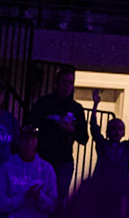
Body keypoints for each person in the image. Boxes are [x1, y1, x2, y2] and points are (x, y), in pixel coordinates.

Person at [25, 69, 87, 198]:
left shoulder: (77, 108)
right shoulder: (44, 103)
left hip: (63, 160)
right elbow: (30, 125)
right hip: (43, 158)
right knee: (37, 194)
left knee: (58, 198)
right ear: (56, 83)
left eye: (70, 83)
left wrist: (71, 130)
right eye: (64, 82)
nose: (67, 86)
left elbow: (84, 138)